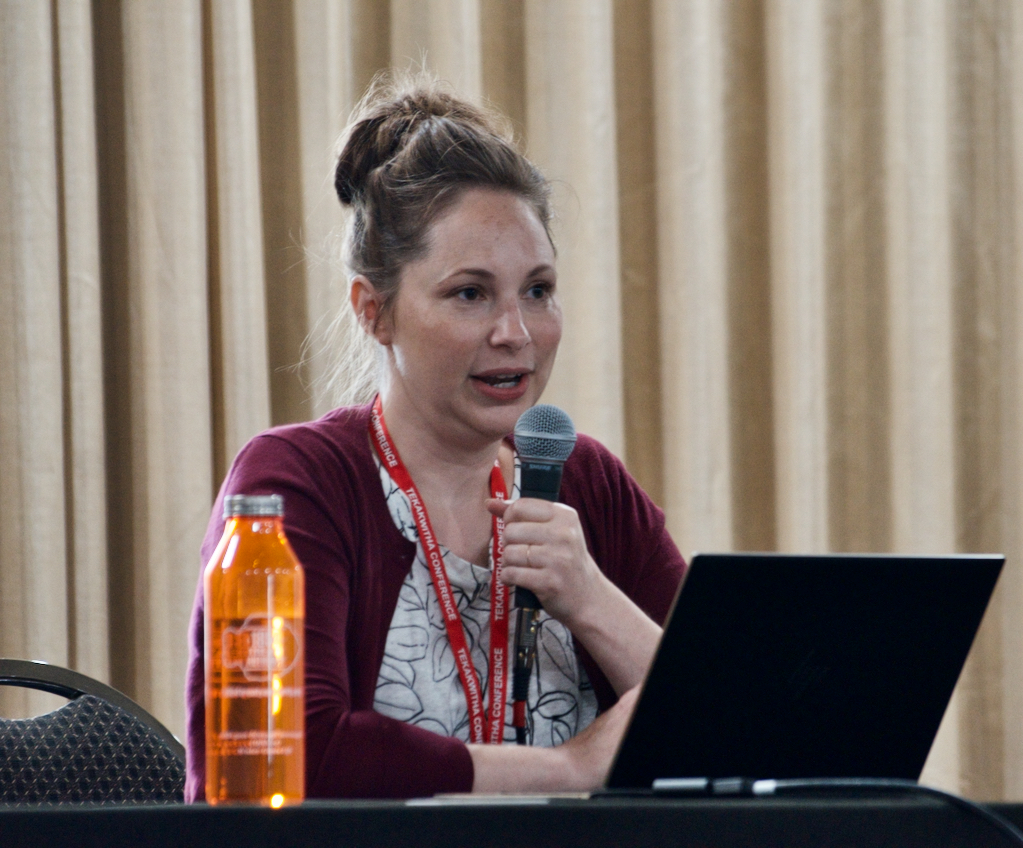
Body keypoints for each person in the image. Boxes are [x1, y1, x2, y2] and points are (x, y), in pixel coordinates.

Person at [184, 74, 686, 800]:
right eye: (469, 294)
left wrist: (592, 600)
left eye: (538, 290)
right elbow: (288, 753)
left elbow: (760, 737)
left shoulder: (586, 483)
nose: (516, 334)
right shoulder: (294, 482)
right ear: (374, 312)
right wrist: (569, 768)